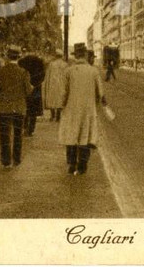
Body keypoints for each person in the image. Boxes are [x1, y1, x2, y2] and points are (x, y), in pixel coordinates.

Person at [58, 43, 106, 175]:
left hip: (71, 108)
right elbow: (101, 93)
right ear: (85, 55)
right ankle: (83, 166)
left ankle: (71, 164)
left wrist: (62, 105)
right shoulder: (93, 71)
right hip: (88, 109)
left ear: (75, 56)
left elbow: (64, 92)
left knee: (71, 135)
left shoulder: (69, 71)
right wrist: (100, 103)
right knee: (85, 136)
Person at [0, 45, 33, 168]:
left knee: (4, 135)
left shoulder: (0, 72)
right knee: (18, 134)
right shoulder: (24, 72)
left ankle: (5, 161)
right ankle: (16, 159)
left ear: (7, 57)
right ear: (18, 57)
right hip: (19, 108)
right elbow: (28, 91)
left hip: (3, 108)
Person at [18, 52, 46, 137]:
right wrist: (36, 84)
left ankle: (25, 126)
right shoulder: (40, 61)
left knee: (25, 108)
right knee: (33, 110)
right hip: (36, 88)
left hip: (24, 88)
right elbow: (42, 75)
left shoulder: (22, 61)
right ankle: (31, 129)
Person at [42, 48, 68, 122]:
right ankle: (58, 116)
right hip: (61, 84)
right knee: (60, 99)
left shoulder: (51, 64)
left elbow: (47, 75)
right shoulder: (65, 64)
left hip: (53, 84)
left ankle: (52, 115)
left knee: (52, 99)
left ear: (56, 56)